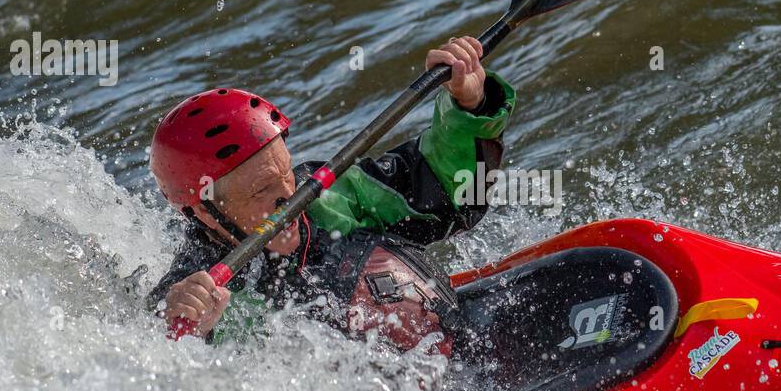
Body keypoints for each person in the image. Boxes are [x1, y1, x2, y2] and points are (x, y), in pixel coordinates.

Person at [147, 37, 513, 353]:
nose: (288, 196)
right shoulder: (191, 290)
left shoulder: (332, 194)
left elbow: (451, 191)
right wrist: (198, 334)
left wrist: (470, 104)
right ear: (207, 213)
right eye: (261, 189)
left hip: (464, 345)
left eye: (285, 172)